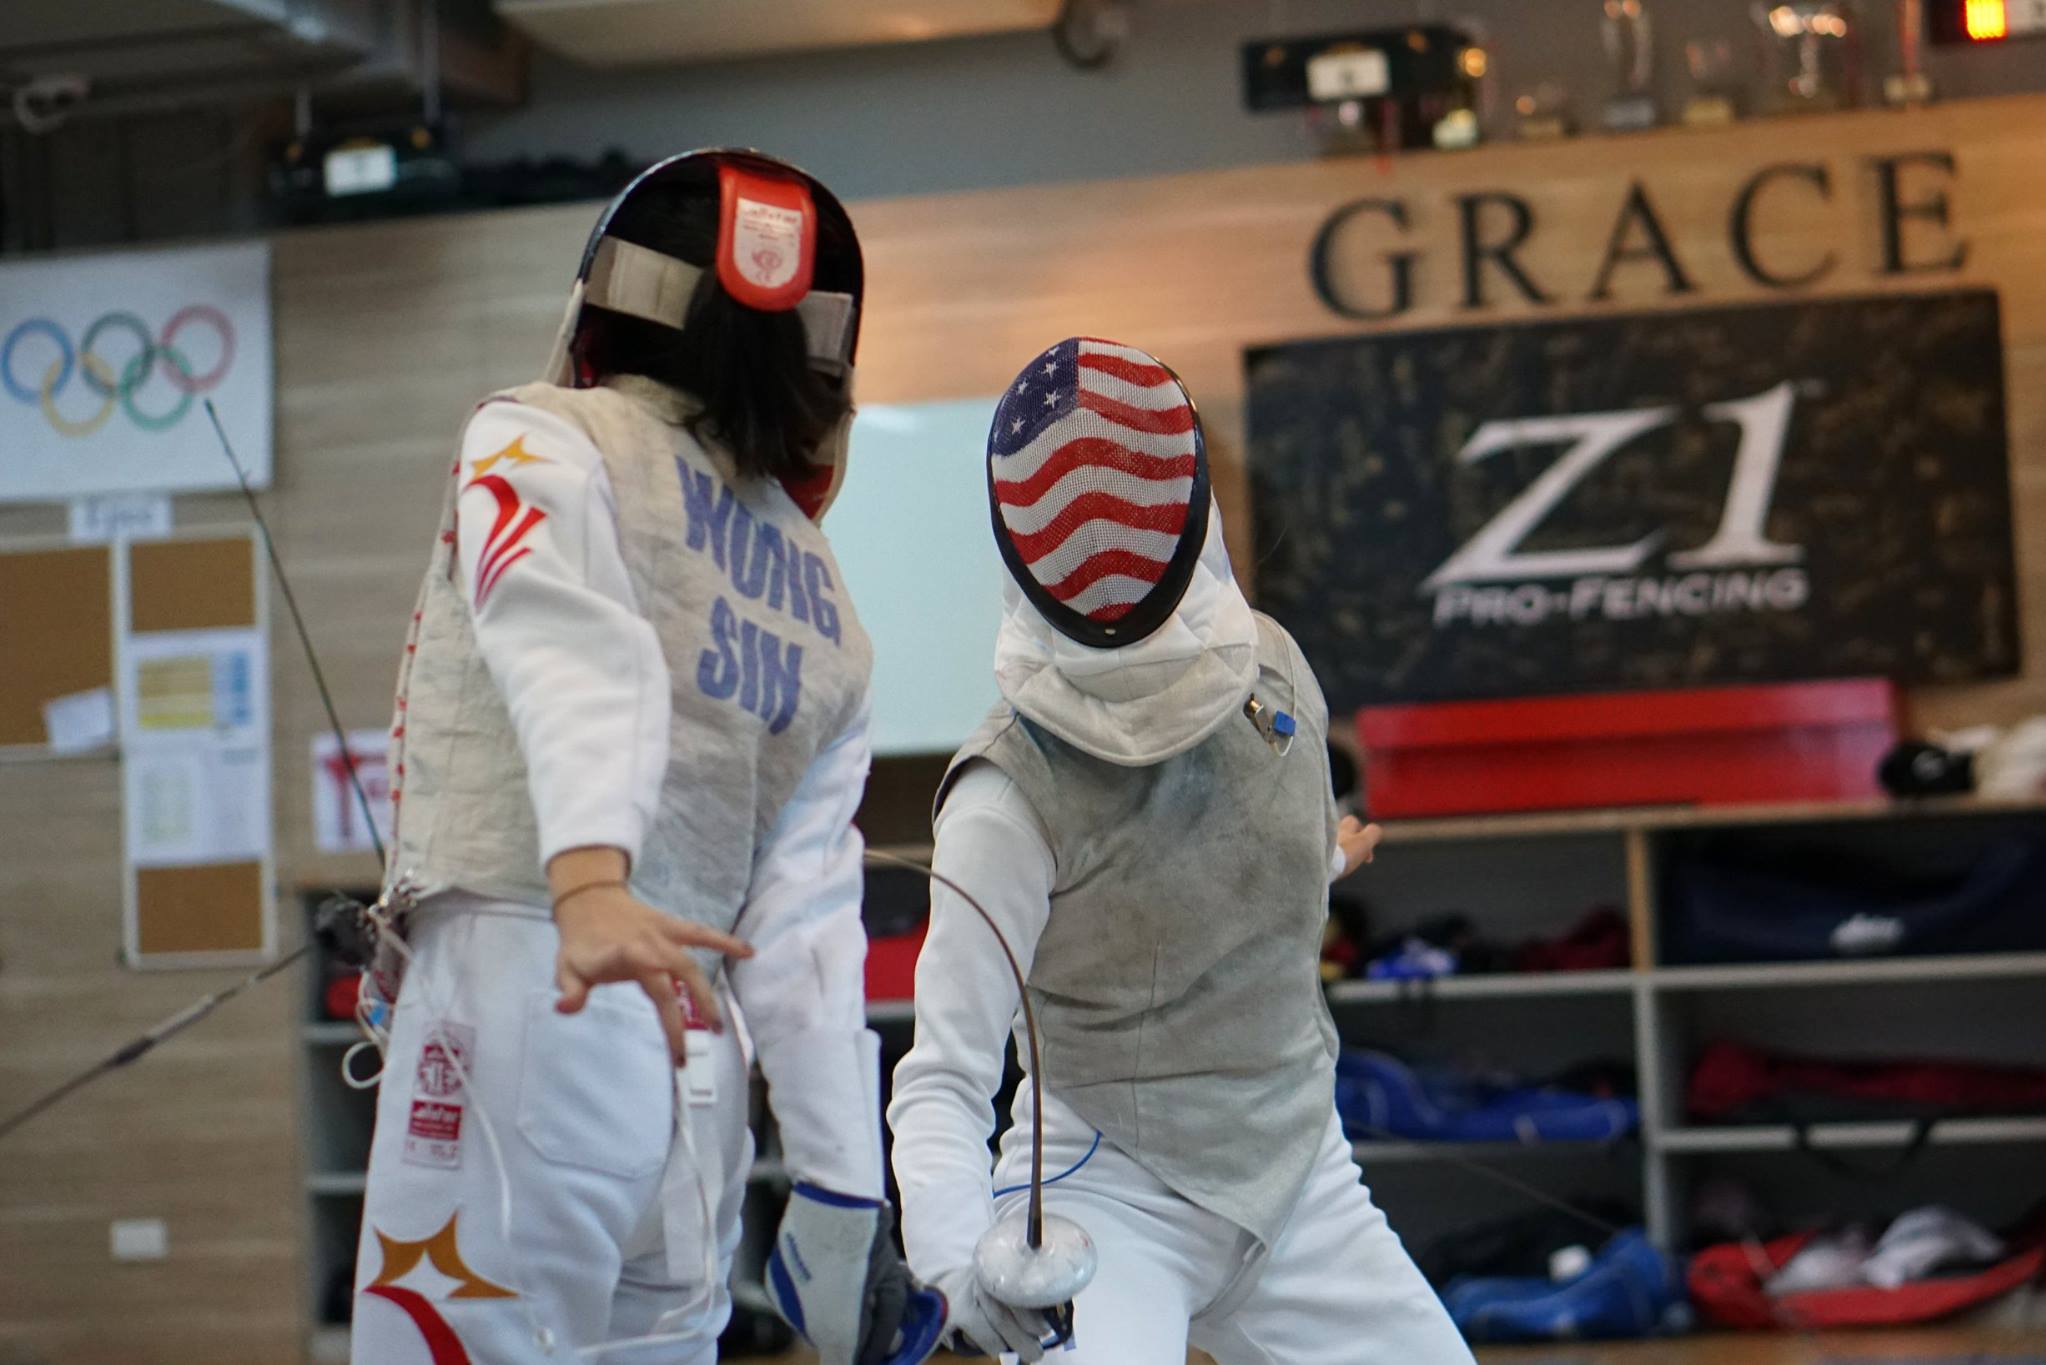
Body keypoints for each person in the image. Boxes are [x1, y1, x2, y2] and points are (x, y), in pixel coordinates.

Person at [352, 149, 935, 1365]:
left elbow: (575, 645)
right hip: (693, 1070)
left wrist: (589, 882)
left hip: (539, 982)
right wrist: (838, 1190)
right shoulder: (823, 595)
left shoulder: (545, 436)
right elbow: (812, 925)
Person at [886, 337, 1475, 1364]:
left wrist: (1311, 857)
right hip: (1105, 1199)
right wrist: (951, 1258)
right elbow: (943, 1073)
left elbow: (1191, 869)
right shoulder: (1003, 796)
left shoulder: (1272, 671)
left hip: (1296, 1177)